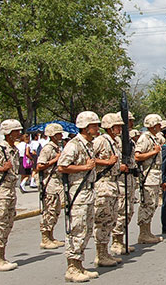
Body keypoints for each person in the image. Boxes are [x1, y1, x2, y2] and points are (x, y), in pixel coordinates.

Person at [57, 111, 100, 282]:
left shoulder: (88, 144)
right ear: (85, 127)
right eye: (94, 126)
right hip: (77, 193)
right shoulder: (74, 145)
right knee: (77, 229)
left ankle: (80, 264)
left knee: (86, 229)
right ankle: (72, 267)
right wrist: (84, 168)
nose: (97, 129)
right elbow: (62, 166)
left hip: (88, 191)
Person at [93, 113, 124, 267]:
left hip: (113, 183)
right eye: (117, 126)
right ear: (110, 127)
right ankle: (100, 254)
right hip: (103, 184)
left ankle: (105, 252)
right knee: (102, 220)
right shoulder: (100, 141)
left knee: (111, 219)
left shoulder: (114, 142)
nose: (120, 129)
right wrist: (107, 162)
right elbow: (89, 159)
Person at [0, 119, 22, 272]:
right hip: (0, 193)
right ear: (7, 133)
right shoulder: (0, 149)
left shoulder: (14, 150)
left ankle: (1, 255)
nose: (18, 133)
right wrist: (1, 169)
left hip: (10, 192)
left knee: (7, 224)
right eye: (15, 131)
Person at [110, 112, 137, 256]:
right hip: (119, 178)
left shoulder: (127, 139)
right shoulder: (113, 141)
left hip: (130, 176)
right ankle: (116, 240)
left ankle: (120, 239)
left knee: (128, 209)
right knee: (121, 209)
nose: (130, 124)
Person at [134, 114, 164, 244]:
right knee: (147, 203)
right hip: (148, 174)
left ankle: (148, 231)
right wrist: (154, 152)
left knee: (153, 203)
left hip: (155, 173)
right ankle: (143, 233)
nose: (160, 127)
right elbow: (137, 156)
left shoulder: (154, 138)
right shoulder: (145, 138)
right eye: (158, 124)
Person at [37, 123, 65, 250]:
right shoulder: (48, 148)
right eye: (58, 133)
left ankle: (51, 235)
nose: (60, 135)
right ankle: (45, 237)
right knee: (49, 210)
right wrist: (55, 160)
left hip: (56, 182)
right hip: (49, 182)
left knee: (56, 210)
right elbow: (40, 166)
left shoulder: (56, 147)